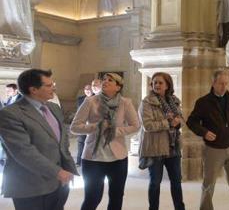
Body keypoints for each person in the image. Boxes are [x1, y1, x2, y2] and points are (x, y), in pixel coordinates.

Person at [0, 69, 78, 210]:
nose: (53, 87)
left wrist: (68, 168)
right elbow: (23, 152)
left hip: (59, 183)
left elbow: (62, 143)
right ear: (33, 90)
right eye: (48, 85)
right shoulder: (10, 114)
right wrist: (57, 172)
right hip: (30, 186)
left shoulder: (54, 108)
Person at [71, 73, 140, 210]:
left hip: (118, 158)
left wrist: (115, 131)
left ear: (118, 87)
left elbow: (135, 125)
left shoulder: (125, 103)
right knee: (92, 198)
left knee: (116, 197)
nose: (105, 82)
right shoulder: (90, 101)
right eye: (104, 80)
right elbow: (74, 127)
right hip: (93, 157)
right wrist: (96, 127)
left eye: (110, 80)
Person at [186, 70, 229, 210]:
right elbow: (191, 122)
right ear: (213, 83)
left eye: (226, 83)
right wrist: (204, 132)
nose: (224, 86)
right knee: (209, 184)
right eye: (221, 83)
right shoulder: (203, 102)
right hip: (214, 150)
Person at [139, 72, 185, 210]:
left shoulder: (174, 101)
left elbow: (182, 120)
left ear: (167, 85)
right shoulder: (146, 102)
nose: (157, 85)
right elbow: (147, 125)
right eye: (154, 82)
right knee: (155, 183)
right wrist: (168, 122)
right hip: (156, 148)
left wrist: (178, 122)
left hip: (173, 147)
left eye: (160, 82)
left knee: (176, 182)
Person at [75, 83, 94, 166]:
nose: (88, 91)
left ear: (92, 90)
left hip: (92, 124)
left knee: (91, 143)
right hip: (82, 124)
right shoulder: (80, 99)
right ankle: (79, 161)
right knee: (80, 142)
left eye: (89, 89)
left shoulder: (96, 98)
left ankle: (91, 161)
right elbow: (78, 112)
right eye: (86, 89)